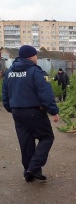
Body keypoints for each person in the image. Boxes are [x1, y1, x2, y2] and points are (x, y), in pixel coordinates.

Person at [2, 45, 59, 182]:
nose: (37, 58)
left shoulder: (9, 72)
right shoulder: (35, 72)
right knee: (46, 137)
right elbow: (45, 93)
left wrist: (12, 109)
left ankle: (29, 172)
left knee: (26, 142)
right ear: (31, 57)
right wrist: (54, 111)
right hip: (34, 111)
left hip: (17, 112)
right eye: (36, 56)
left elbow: (5, 95)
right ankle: (33, 168)